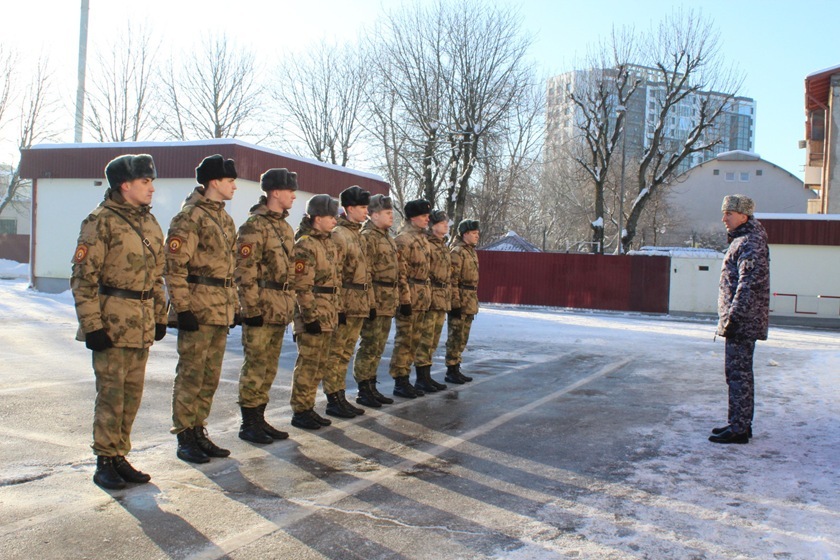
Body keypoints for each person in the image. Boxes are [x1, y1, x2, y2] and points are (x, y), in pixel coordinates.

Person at [71, 154, 166, 490]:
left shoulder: (150, 224)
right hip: (112, 324)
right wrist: (92, 326)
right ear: (125, 185)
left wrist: (160, 315)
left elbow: (157, 276)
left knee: (131, 395)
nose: (152, 188)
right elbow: (83, 280)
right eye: (145, 182)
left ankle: (119, 454)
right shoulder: (101, 222)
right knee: (111, 396)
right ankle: (104, 460)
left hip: (140, 324)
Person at [166, 154, 238, 463]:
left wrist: (233, 306)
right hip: (197, 307)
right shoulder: (190, 217)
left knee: (210, 376)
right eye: (230, 180)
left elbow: (230, 269)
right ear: (214, 182)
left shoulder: (224, 218)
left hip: (218, 309)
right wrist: (182, 309)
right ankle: (184, 436)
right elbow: (175, 266)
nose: (234, 186)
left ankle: (198, 430)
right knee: (191, 374)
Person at [234, 169, 298, 444]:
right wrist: (251, 309)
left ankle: (259, 418)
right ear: (274, 192)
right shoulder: (254, 226)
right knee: (256, 366)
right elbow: (244, 271)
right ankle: (249, 423)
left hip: (279, 307)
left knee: (269, 367)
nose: (294, 195)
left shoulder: (285, 227)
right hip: (261, 306)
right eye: (289, 190)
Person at [709, 195, 770, 444]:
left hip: (742, 322)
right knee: (737, 374)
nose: (724, 218)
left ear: (743, 216)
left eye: (729, 214)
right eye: (724, 213)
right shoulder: (743, 240)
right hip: (740, 321)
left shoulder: (750, 242)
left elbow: (748, 285)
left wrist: (732, 318)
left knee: (739, 375)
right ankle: (740, 422)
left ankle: (739, 429)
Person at [289, 194, 341, 430]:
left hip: (327, 311)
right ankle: (300, 410)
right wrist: (309, 316)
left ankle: (308, 408)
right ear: (317, 218)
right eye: (331, 217)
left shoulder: (327, 243)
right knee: (308, 363)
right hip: (313, 313)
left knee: (319, 364)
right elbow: (302, 285)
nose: (335, 221)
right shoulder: (305, 244)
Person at [353, 194, 409, 408]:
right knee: (369, 344)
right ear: (374, 215)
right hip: (375, 297)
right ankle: (363, 388)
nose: (391, 216)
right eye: (387, 213)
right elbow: (364, 272)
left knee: (378, 345)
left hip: (388, 299)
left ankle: (371, 384)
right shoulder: (367, 237)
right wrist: (370, 302)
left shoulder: (386, 237)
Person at [322, 186, 374, 419]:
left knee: (346, 353)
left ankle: (340, 395)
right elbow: (335, 274)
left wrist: (370, 302)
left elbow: (366, 273)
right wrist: (338, 307)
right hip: (346, 302)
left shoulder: (357, 234)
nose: (367, 211)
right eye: (363, 207)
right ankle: (333, 397)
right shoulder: (340, 235)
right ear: (349, 208)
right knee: (337, 352)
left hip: (359, 302)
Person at [389, 199, 432, 398]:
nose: (427, 219)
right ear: (413, 218)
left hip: (422, 297)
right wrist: (404, 300)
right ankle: (400, 380)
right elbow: (401, 273)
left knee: (415, 340)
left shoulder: (423, 240)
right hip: (410, 296)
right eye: (423, 216)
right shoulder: (403, 240)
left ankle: (407, 377)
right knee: (405, 340)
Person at [414, 209, 451, 392]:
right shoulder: (427, 243)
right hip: (430, 295)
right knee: (425, 338)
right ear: (433, 225)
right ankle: (421, 377)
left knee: (434, 339)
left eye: (447, 222)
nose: (446, 225)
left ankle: (427, 376)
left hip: (441, 297)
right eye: (443, 222)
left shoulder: (443, 244)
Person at [445, 219, 480, 384]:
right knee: (455, 336)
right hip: (460, 300)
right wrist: (455, 303)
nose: (476, 236)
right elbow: (453, 279)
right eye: (474, 233)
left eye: (477, 233)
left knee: (463, 337)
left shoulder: (471, 251)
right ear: (465, 234)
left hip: (470, 300)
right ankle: (451, 369)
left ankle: (456, 367)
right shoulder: (457, 252)